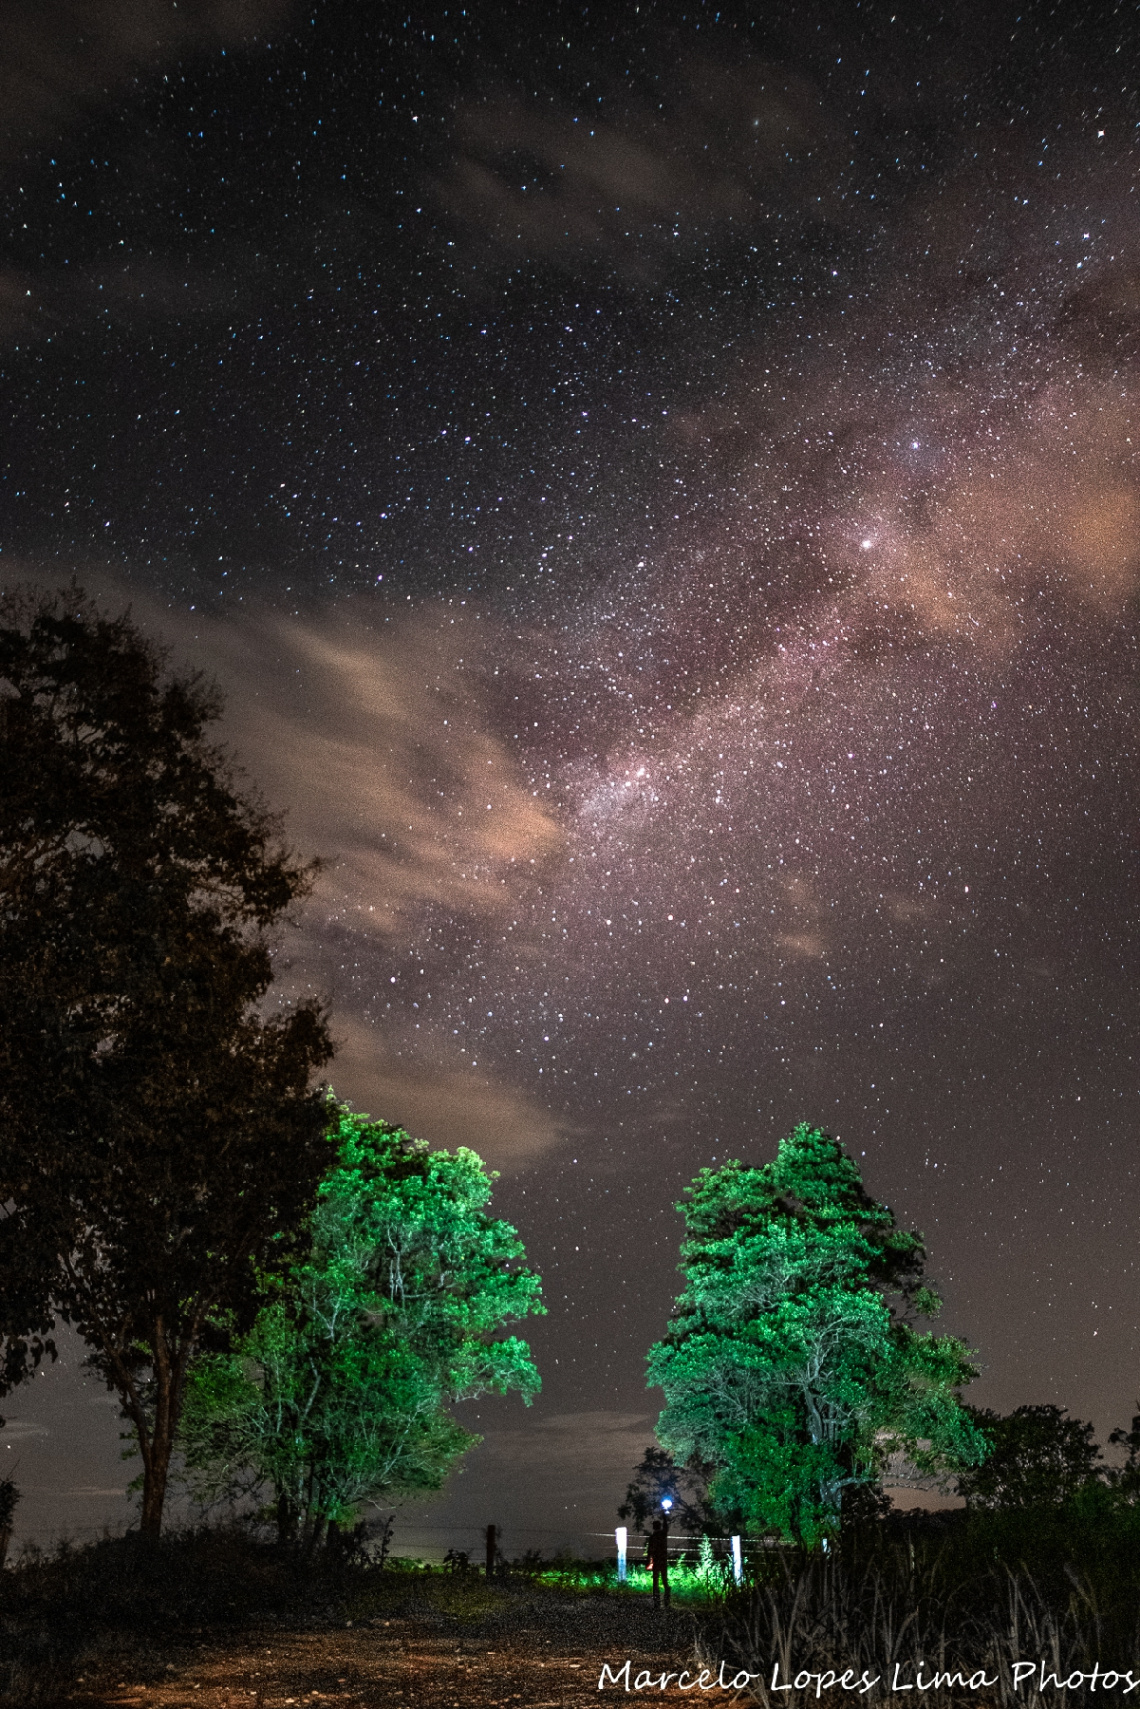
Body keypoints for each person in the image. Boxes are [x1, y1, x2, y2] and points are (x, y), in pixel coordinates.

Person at [645, 1519, 670, 1608]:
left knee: (655, 1582)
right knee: (664, 1581)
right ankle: (667, 1602)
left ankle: (657, 1603)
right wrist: (664, 1514)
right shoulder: (663, 1535)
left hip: (656, 1561)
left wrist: (648, 1561)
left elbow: (650, 1551)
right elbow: (666, 1527)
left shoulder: (652, 1537)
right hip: (663, 1561)